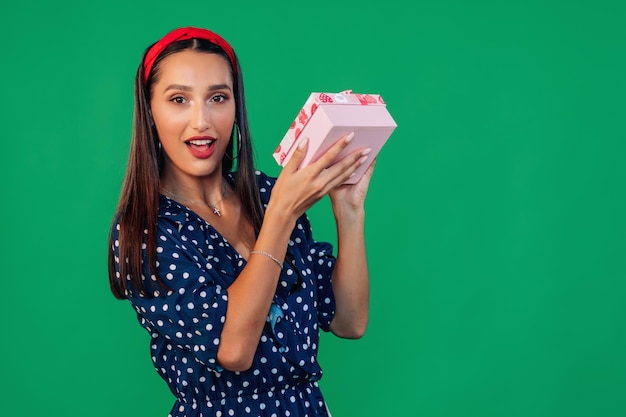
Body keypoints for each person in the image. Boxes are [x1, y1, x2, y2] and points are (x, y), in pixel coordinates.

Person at [108, 26, 374, 417]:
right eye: (179, 99)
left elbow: (349, 321)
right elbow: (232, 350)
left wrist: (349, 211)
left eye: (218, 97)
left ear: (236, 107)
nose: (201, 120)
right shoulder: (145, 231)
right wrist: (282, 216)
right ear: (150, 111)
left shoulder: (268, 194)